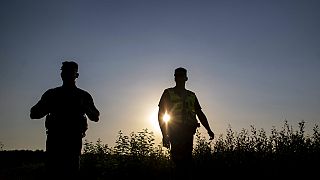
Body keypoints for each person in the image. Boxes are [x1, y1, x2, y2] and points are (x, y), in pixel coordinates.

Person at [30, 61, 100, 179]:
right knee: (53, 172)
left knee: (71, 172)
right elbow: (33, 113)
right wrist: (47, 108)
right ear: (61, 75)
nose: (66, 74)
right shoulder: (52, 94)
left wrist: (86, 108)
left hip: (73, 141)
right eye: (64, 71)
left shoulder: (83, 96)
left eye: (69, 72)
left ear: (76, 75)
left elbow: (95, 116)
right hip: (55, 141)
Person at [158, 67, 215, 179]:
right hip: (175, 131)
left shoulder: (192, 95)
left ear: (186, 78)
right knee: (177, 161)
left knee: (187, 160)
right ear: (174, 78)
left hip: (189, 131)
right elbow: (161, 115)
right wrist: (164, 135)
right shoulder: (168, 93)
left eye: (181, 75)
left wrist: (209, 129)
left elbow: (200, 113)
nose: (179, 78)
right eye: (177, 75)